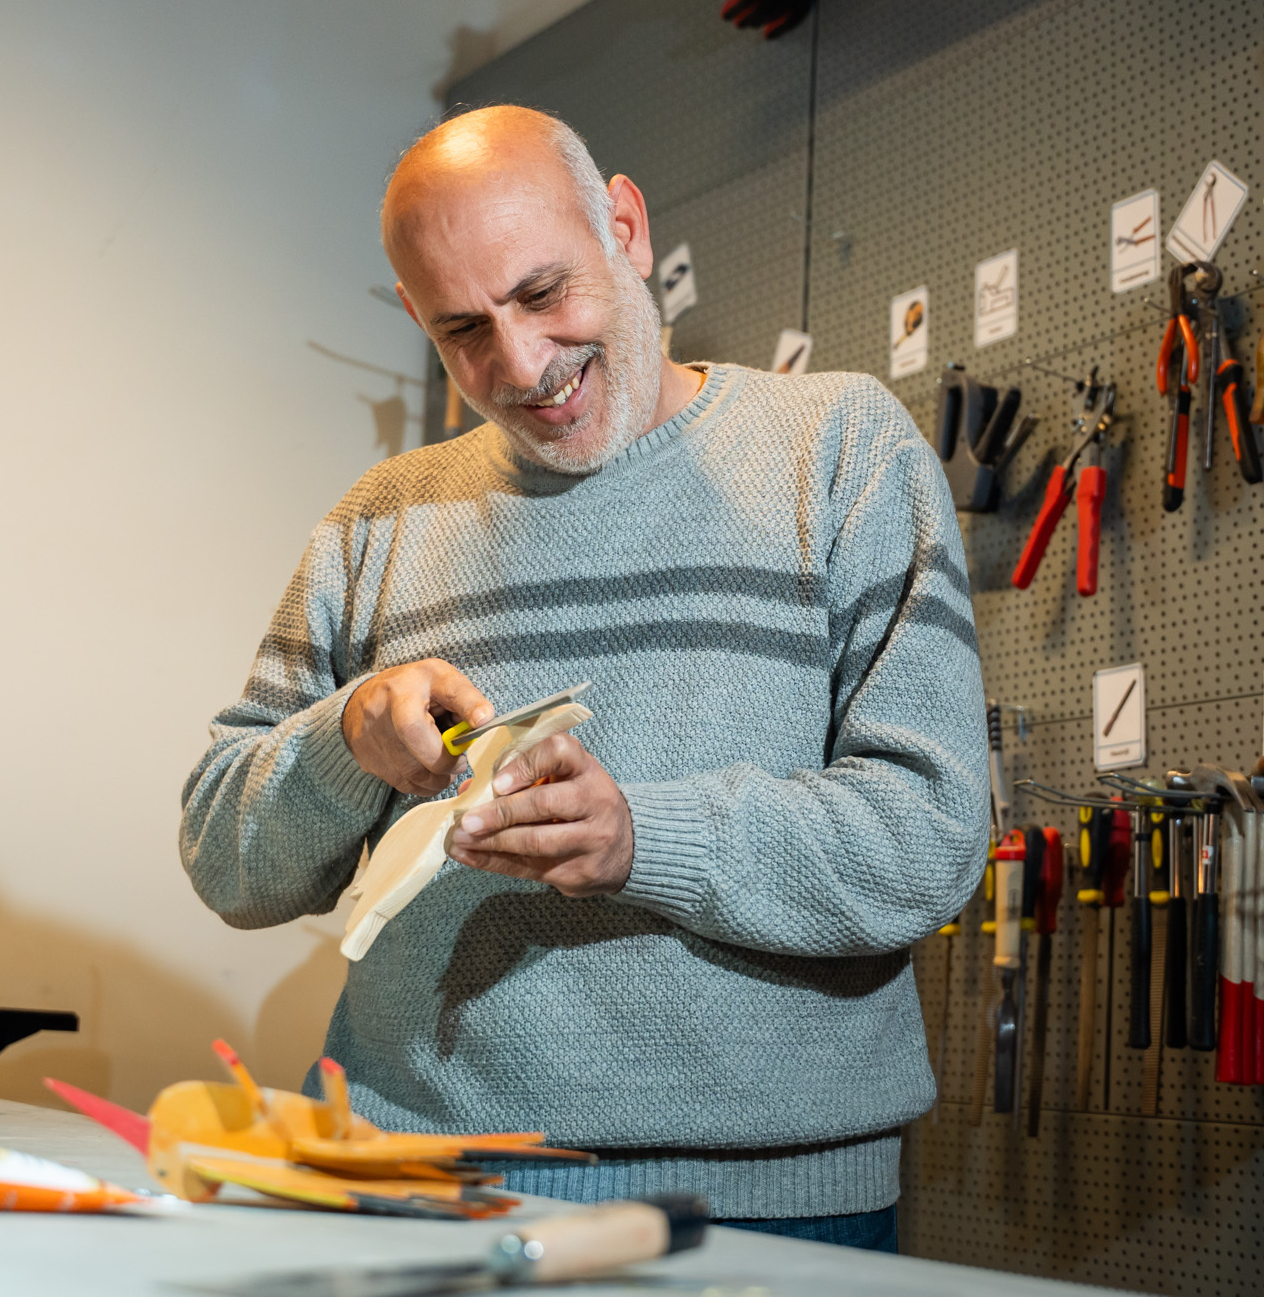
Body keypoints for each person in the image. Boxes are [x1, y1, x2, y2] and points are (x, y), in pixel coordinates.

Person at [180, 104, 986, 1251]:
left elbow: (931, 833)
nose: (521, 366)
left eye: (542, 292)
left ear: (625, 227)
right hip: (417, 1184)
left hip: (770, 1207)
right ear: (415, 317)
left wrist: (639, 839)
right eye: (463, 329)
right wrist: (344, 740)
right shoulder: (380, 520)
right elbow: (224, 858)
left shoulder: (842, 449)